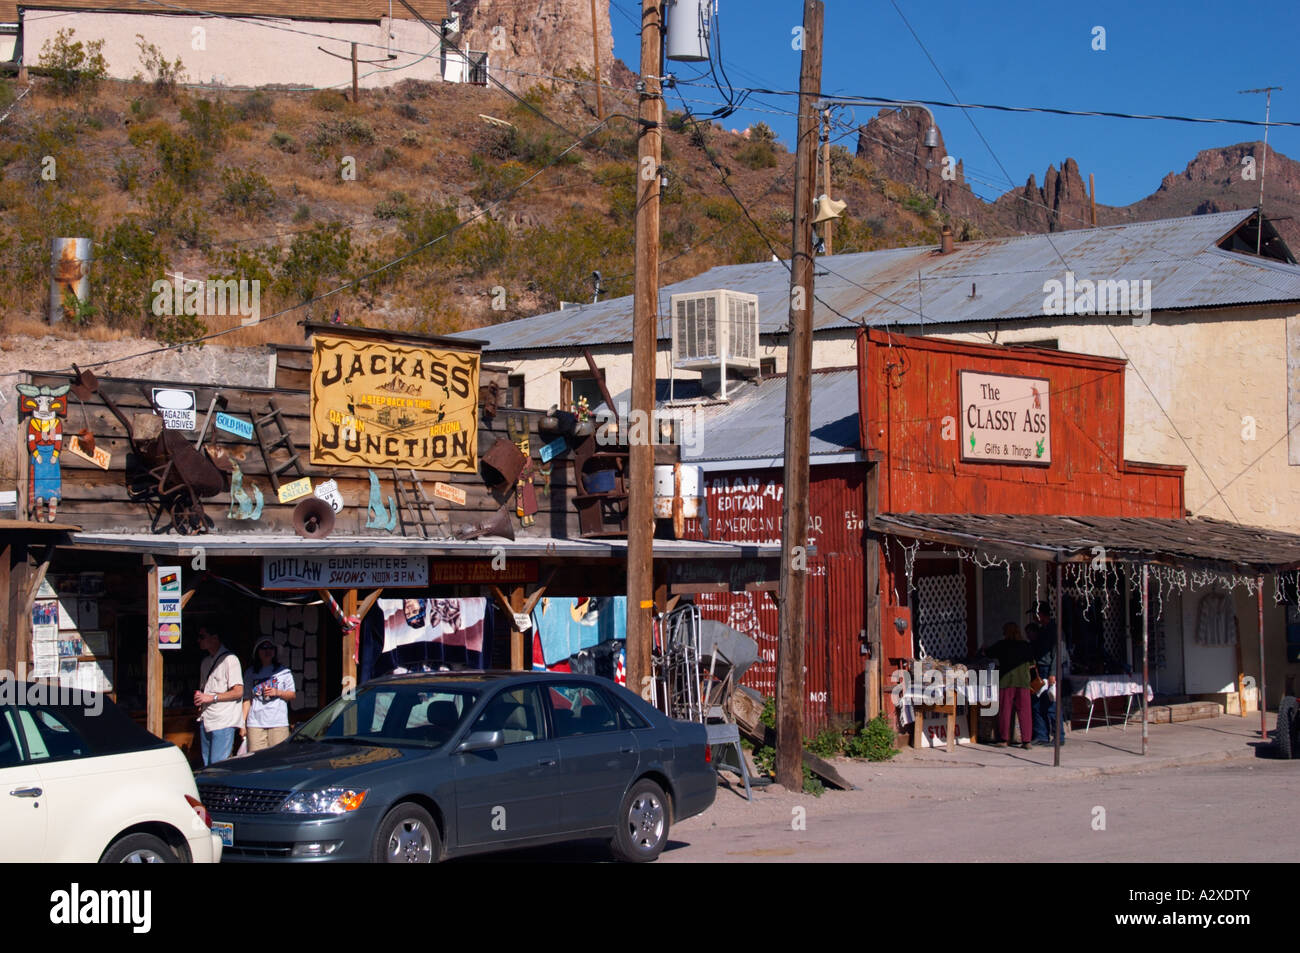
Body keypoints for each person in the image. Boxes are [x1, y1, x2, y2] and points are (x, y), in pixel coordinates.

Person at [194, 627, 242, 765]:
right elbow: (204, 690)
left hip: (223, 721)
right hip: (207, 718)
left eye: (202, 636)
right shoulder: (205, 662)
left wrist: (212, 697)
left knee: (218, 765)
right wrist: (200, 698)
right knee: (207, 764)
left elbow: (238, 691)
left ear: (215, 638)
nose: (199, 641)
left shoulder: (230, 659)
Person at [984, 621, 1036, 749]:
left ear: (1006, 632)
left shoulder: (1003, 645)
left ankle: (1004, 739)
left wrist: (984, 648)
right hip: (1023, 681)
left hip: (1006, 681)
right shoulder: (1025, 645)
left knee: (1005, 711)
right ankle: (1027, 740)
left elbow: (989, 653)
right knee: (1025, 712)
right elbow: (1032, 662)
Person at [241, 638, 296, 752]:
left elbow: (292, 695)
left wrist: (277, 692)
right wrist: (242, 724)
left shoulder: (284, 672)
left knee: (278, 758)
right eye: (264, 648)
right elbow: (247, 699)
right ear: (257, 652)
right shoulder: (250, 673)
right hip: (255, 723)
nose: (267, 651)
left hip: (278, 722)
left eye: (271, 648)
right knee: (256, 760)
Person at [1028, 603, 1069, 746]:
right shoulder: (1042, 630)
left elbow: (1059, 654)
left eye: (1035, 614)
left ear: (1042, 614)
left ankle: (1059, 736)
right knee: (1038, 704)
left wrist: (1053, 674)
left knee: (1052, 704)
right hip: (1040, 669)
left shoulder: (1054, 630)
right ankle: (1041, 735)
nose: (1034, 617)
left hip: (1049, 669)